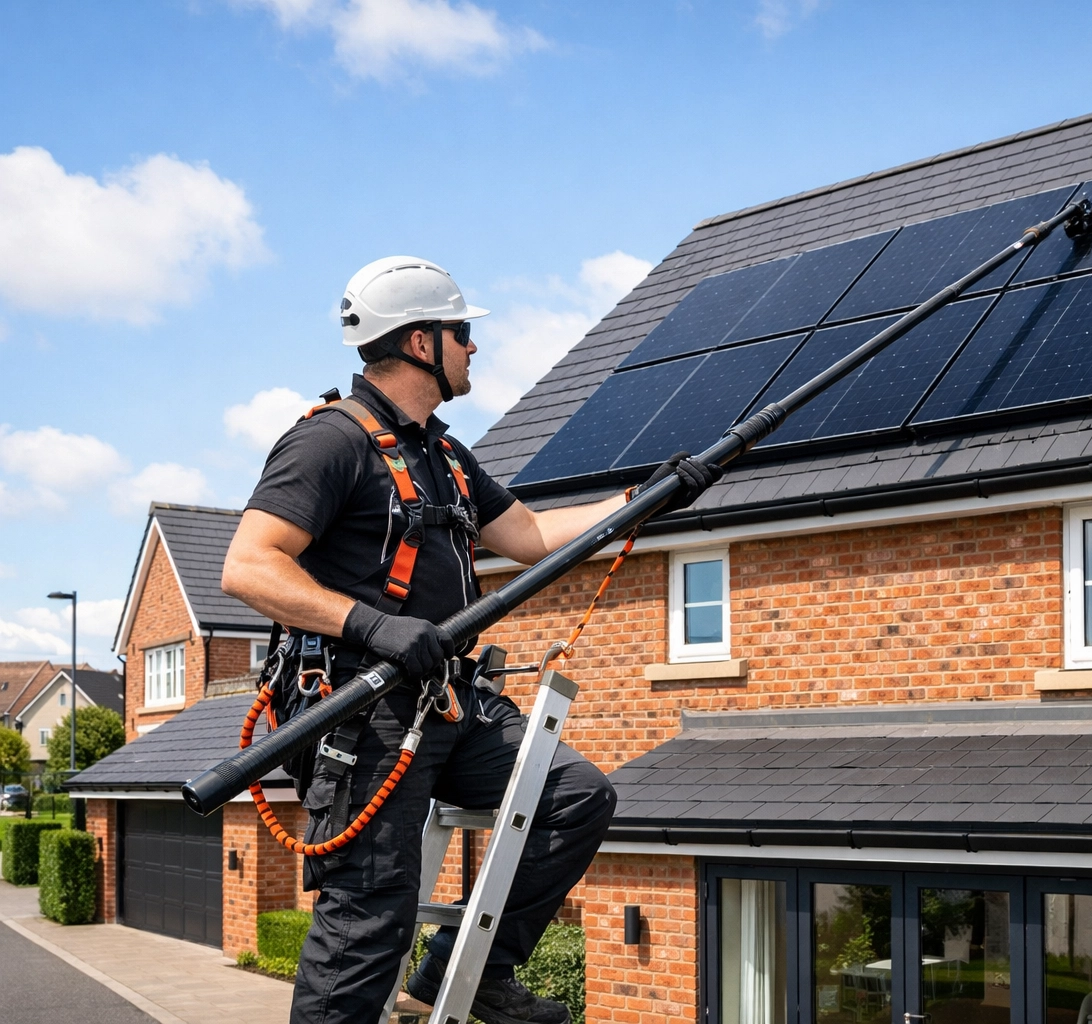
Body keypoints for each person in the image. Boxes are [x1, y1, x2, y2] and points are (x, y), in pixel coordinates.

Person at [222, 256, 719, 1024]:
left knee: (575, 797)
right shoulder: (330, 444)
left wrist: (645, 499)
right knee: (369, 915)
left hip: (451, 704)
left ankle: (470, 971)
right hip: (366, 716)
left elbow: (530, 537)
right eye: (462, 333)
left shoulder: (445, 456)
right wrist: (375, 625)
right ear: (422, 342)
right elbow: (249, 566)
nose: (473, 348)